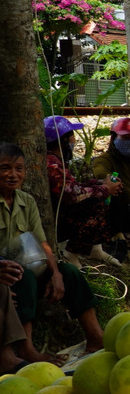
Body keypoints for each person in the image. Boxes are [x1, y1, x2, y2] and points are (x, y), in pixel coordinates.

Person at [0, 142, 106, 353]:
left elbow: (42, 243)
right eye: (5, 168)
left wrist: (55, 273)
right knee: (24, 275)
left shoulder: (26, 201)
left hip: (24, 272)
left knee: (70, 272)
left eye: (18, 168)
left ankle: (96, 337)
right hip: (7, 278)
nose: (13, 174)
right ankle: (26, 348)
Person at [43, 115, 122, 262]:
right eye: (72, 137)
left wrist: (98, 184)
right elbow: (71, 195)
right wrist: (104, 189)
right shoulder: (52, 165)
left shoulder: (55, 161)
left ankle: (95, 249)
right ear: (65, 140)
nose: (74, 141)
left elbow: (73, 187)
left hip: (58, 213)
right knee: (95, 202)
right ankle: (71, 255)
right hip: (56, 220)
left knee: (98, 196)